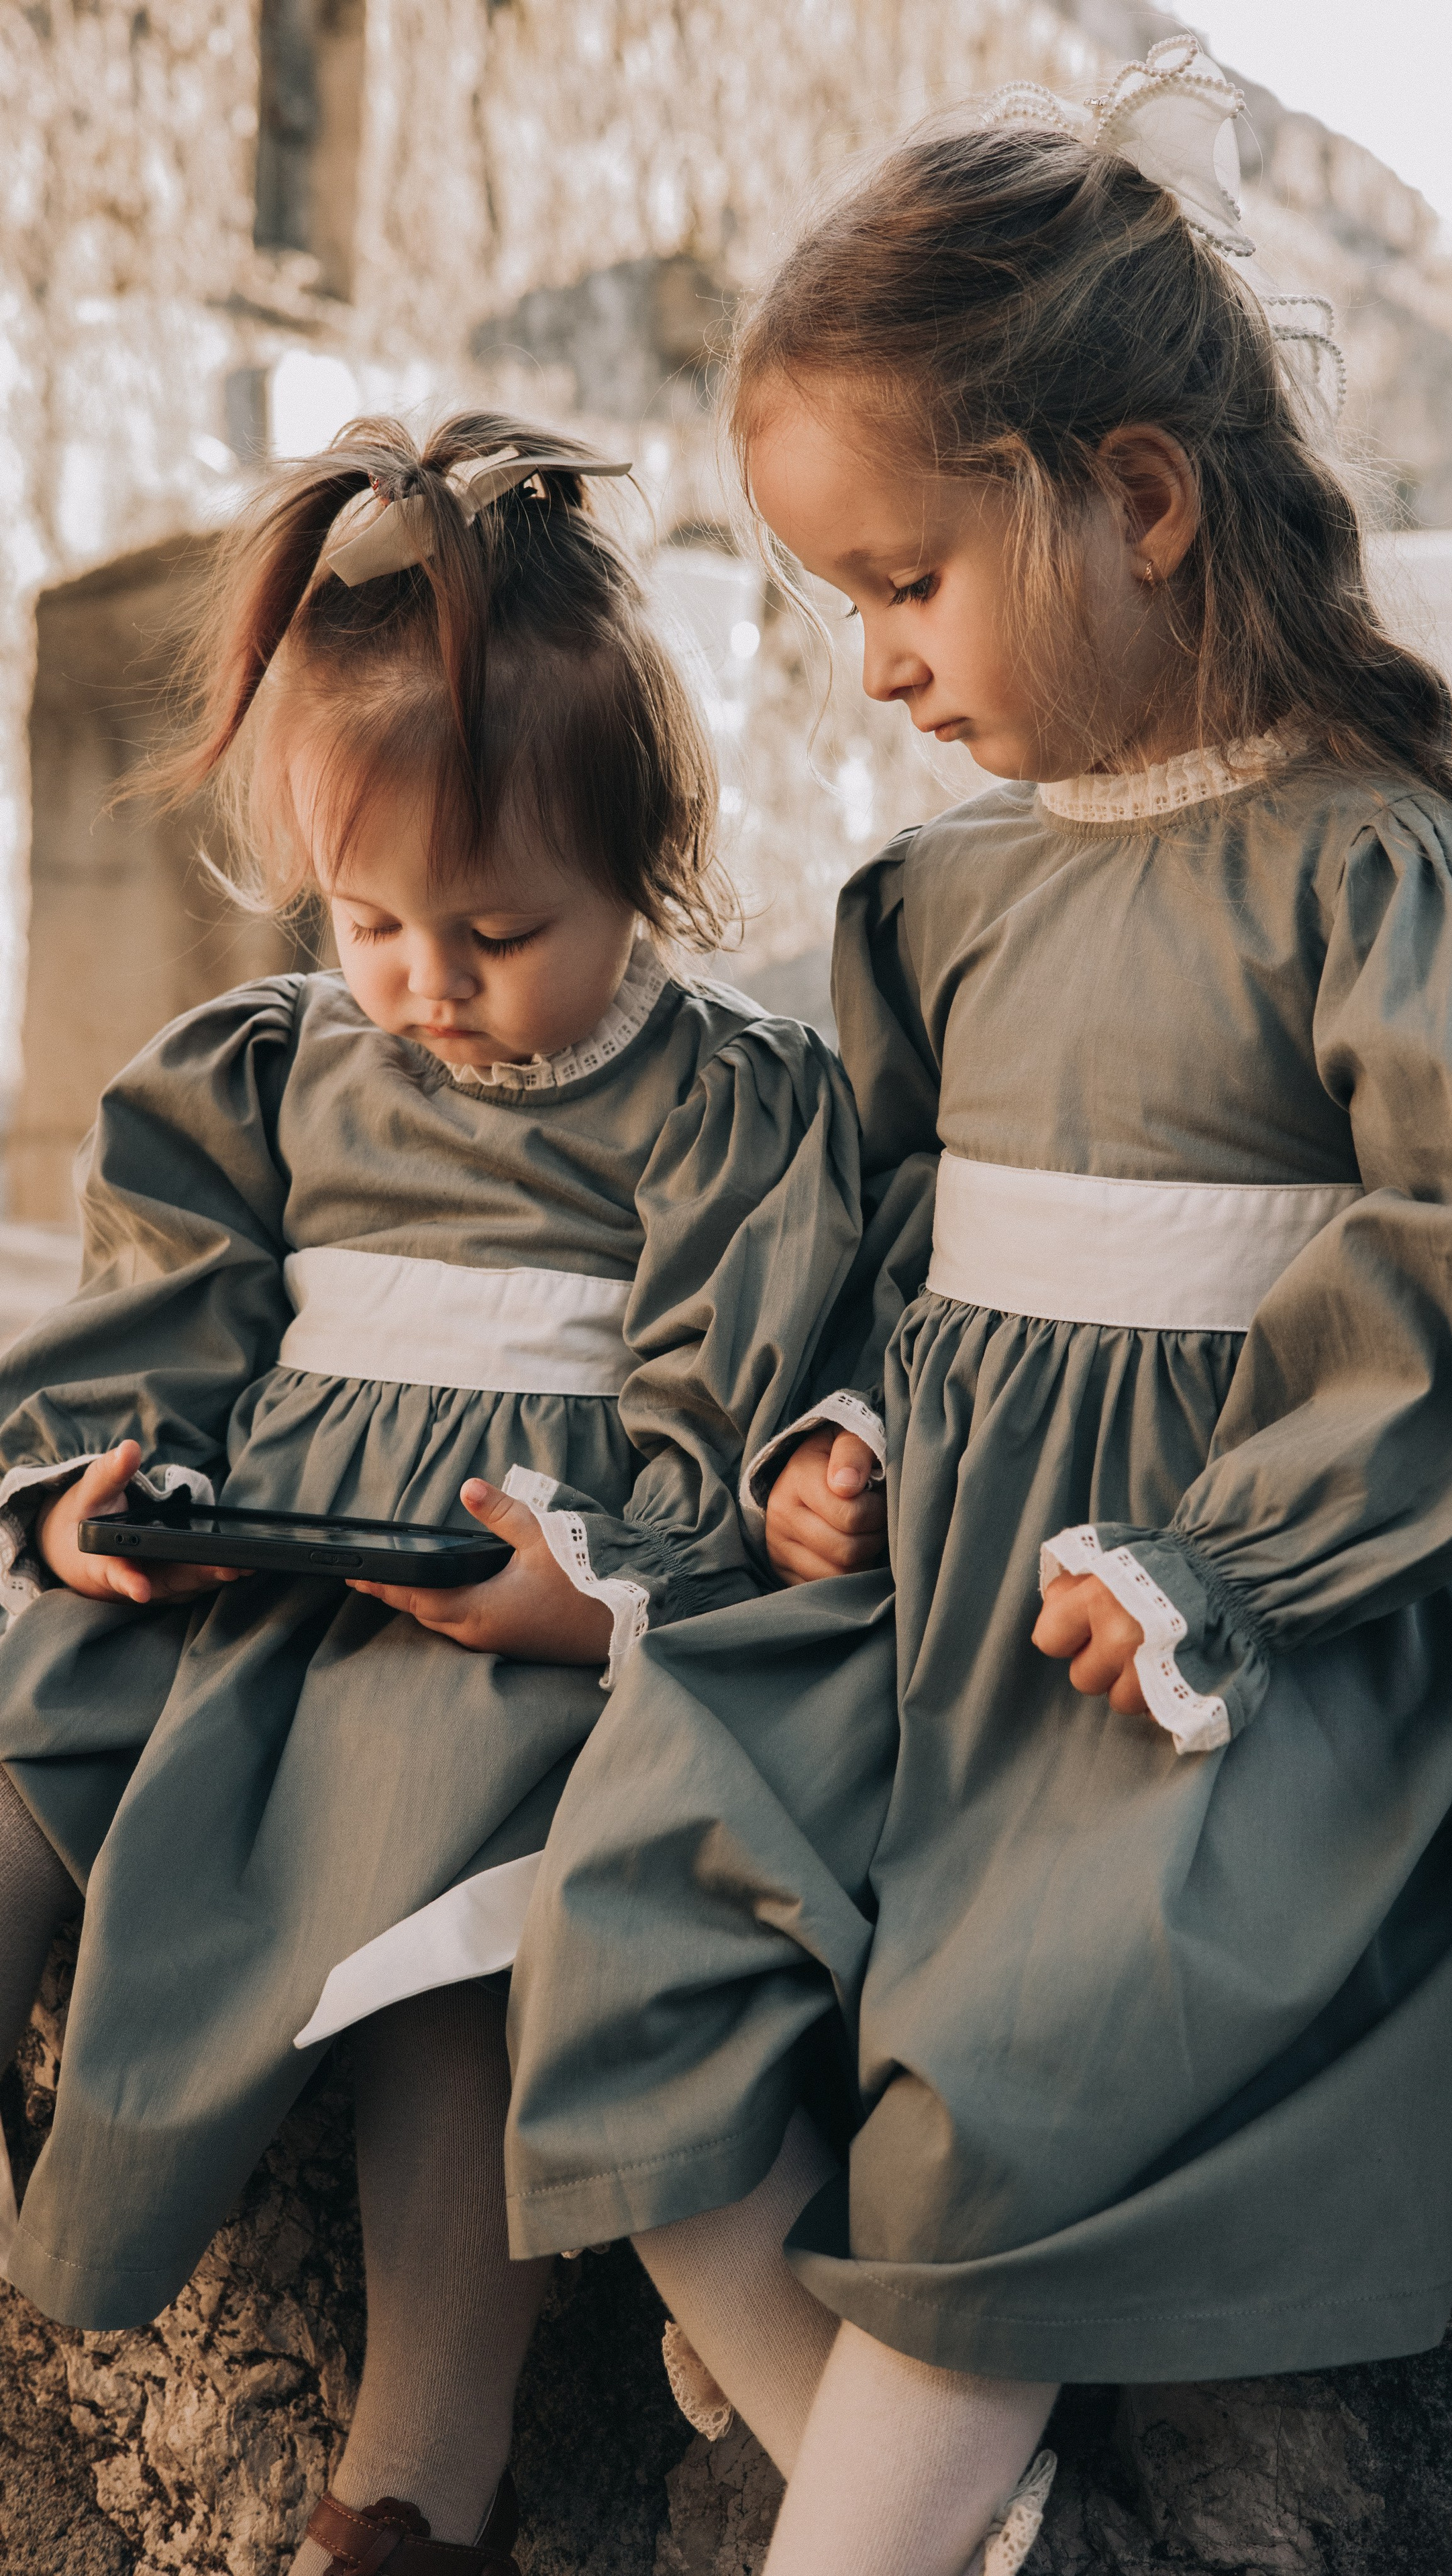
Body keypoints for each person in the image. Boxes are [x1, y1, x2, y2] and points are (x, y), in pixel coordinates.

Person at [490, 42, 1452, 2576]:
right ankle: (974, 2537)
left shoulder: (1366, 876)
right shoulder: (946, 903)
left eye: (908, 581)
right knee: (632, 1930)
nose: (877, 666)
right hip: (944, 1583)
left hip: (1225, 1634)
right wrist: (838, 1434)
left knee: (1016, 2055)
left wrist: (1227, 1566)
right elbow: (886, 1253)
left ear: (1136, 499)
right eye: (842, 603)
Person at [0, 415, 862, 2574]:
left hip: (500, 1598)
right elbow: (161, 1333)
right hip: (259, 1557)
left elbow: (722, 1421)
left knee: (452, 1935)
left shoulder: (719, 1102)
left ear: (643, 863)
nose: (427, 983)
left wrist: (593, 1593)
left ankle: (419, 2479)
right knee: (30, 1708)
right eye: (370, 916)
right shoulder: (283, 1065)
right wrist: (94, 1498)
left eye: (493, 925)